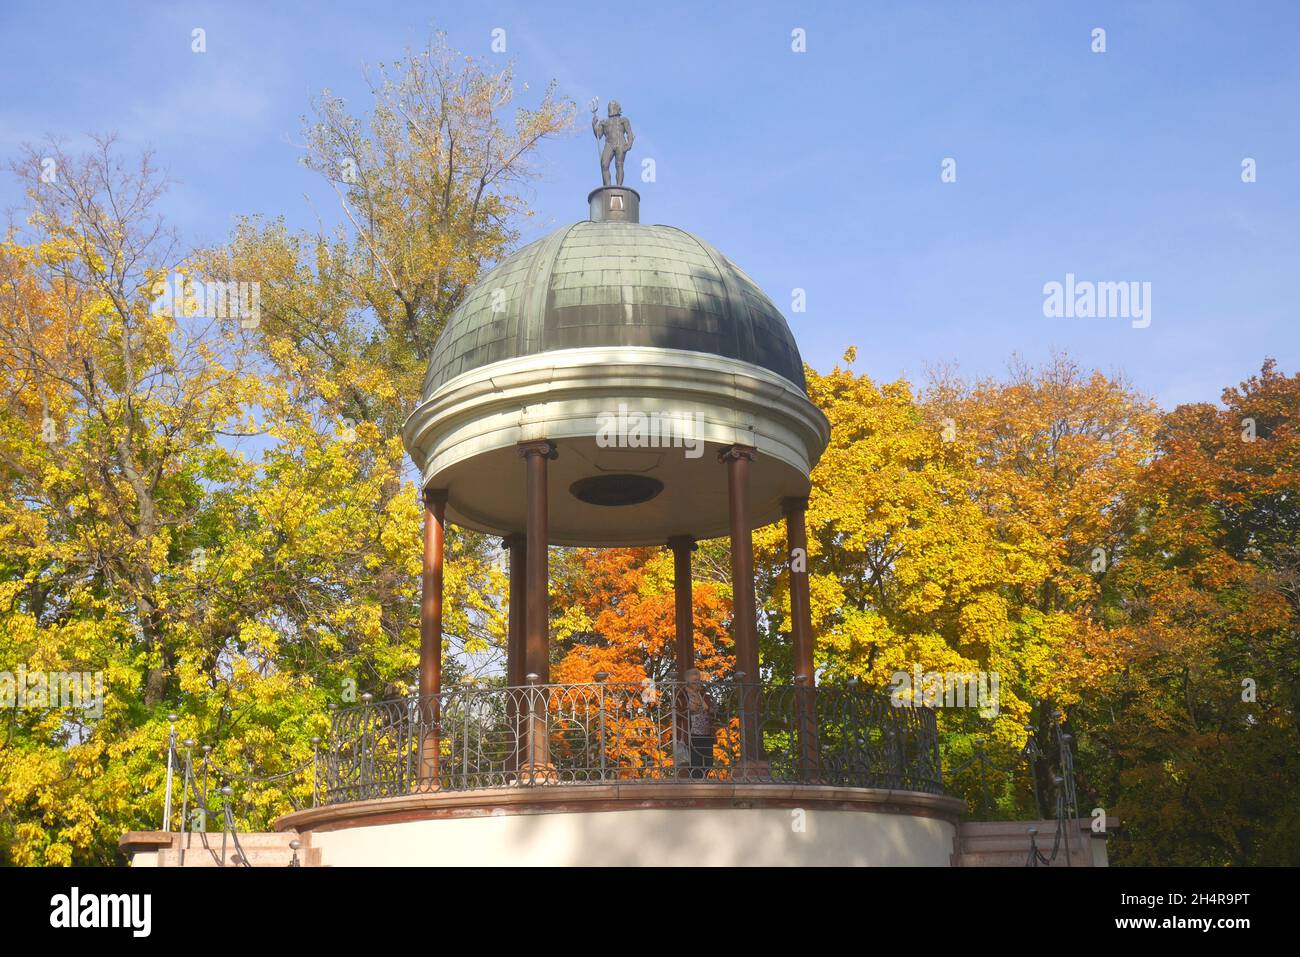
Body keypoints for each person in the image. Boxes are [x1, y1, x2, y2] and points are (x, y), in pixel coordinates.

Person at [682, 668, 715, 779]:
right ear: (688, 682)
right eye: (694, 682)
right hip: (692, 735)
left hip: (706, 734)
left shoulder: (704, 695)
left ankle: (703, 783)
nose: (697, 684)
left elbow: (713, 709)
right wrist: (687, 709)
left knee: (708, 762)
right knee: (695, 764)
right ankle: (696, 786)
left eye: (698, 681)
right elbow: (676, 710)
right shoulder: (682, 694)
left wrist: (711, 710)